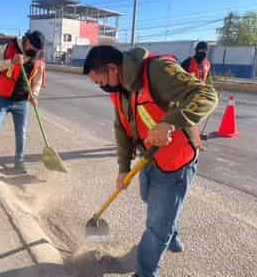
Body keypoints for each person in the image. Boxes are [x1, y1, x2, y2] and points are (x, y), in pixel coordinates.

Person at [83, 46, 218, 277]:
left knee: (156, 226)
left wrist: (170, 122)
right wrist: (123, 168)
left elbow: (206, 95)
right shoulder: (119, 89)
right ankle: (171, 230)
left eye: (100, 81)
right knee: (150, 200)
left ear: (113, 68)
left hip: (176, 161)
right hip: (150, 158)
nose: (102, 87)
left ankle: (145, 271)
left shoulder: (157, 71)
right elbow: (121, 129)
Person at [0, 30, 46, 173]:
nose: (34, 53)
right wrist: (10, 61)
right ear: (27, 41)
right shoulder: (9, 47)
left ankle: (19, 162)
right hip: (2, 98)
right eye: (33, 49)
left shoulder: (38, 57)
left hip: (22, 101)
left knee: (21, 132)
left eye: (37, 51)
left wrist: (34, 94)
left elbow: (37, 80)